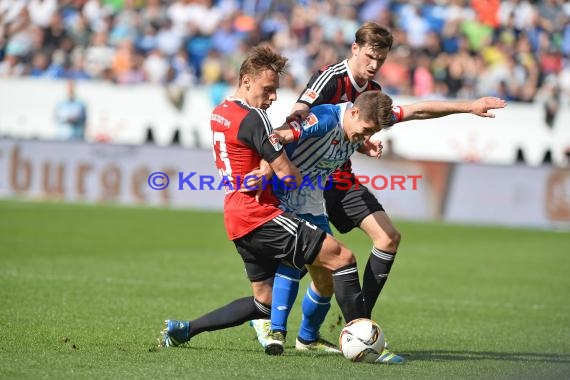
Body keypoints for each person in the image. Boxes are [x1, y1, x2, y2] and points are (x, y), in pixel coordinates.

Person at [251, 22, 507, 363]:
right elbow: (299, 115)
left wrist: (468, 106)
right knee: (307, 259)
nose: (374, 64)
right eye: (370, 56)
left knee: (386, 239)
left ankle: (357, 320)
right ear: (355, 49)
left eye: (381, 59)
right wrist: (272, 163)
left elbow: (414, 110)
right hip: (304, 179)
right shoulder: (330, 79)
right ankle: (281, 328)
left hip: (336, 177)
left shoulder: (373, 91)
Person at [158, 46, 370, 355]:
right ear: (246, 81)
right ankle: (363, 340)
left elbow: (250, 156)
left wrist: (262, 167)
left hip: (235, 216)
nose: (272, 98)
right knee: (343, 258)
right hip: (259, 214)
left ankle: (185, 330)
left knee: (263, 303)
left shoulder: (220, 112)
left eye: (276, 91)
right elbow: (290, 176)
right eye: (268, 89)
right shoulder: (255, 118)